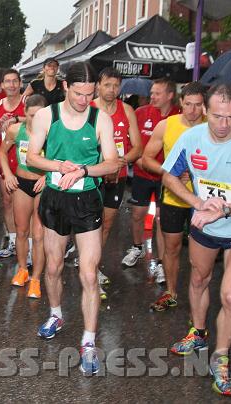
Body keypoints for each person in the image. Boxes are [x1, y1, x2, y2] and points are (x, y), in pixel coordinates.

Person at [163, 84, 231, 396]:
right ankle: (198, 331)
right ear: (205, 111)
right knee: (198, 279)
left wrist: (224, 209)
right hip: (203, 227)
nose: (224, 125)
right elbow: (169, 176)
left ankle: (221, 357)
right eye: (218, 116)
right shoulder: (192, 138)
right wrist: (196, 202)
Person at [26, 62, 119, 375]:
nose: (85, 100)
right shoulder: (45, 115)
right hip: (54, 198)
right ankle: (56, 313)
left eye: (90, 94)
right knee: (53, 266)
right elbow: (31, 156)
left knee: (89, 273)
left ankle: (89, 341)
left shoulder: (100, 118)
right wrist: (57, 166)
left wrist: (83, 170)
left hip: (87, 199)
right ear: (65, 86)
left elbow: (113, 164)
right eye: (79, 93)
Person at [141, 82, 206, 311]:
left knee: (200, 254)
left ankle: (198, 297)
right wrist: (169, 173)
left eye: (198, 105)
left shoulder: (214, 126)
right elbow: (146, 158)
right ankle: (171, 292)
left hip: (203, 201)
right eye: (188, 104)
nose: (193, 110)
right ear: (181, 103)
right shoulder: (166, 125)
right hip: (173, 197)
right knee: (172, 247)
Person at [90, 67, 143, 297]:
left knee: (107, 224)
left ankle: (93, 265)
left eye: (115, 85)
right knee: (89, 223)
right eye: (107, 85)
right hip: (91, 176)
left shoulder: (127, 110)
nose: (112, 90)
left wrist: (119, 163)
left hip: (117, 176)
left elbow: (138, 147)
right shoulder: (88, 109)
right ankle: (87, 260)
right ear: (98, 86)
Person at [122, 78, 180, 269]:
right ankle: (137, 247)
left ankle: (162, 263)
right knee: (138, 214)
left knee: (161, 220)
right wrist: (137, 159)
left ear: (170, 95)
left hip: (167, 178)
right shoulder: (141, 113)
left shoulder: (179, 116)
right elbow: (130, 141)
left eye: (157, 93)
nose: (152, 96)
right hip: (142, 173)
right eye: (152, 92)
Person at [0, 94, 47, 297]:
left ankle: (36, 279)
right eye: (31, 115)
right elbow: (2, 151)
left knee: (38, 234)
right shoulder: (16, 130)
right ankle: (22, 270)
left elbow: (63, 157)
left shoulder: (51, 132)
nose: (34, 120)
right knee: (21, 231)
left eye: (39, 115)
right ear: (24, 114)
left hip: (43, 184)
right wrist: (8, 174)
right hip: (22, 183)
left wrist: (49, 176)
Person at [0, 68, 26, 258]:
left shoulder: (27, 102)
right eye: (8, 81)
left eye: (15, 81)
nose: (11, 85)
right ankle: (13, 242)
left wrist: (15, 118)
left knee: (26, 205)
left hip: (26, 161)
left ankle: (27, 244)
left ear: (20, 83)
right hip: (5, 159)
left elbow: (37, 120)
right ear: (2, 85)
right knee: (8, 202)